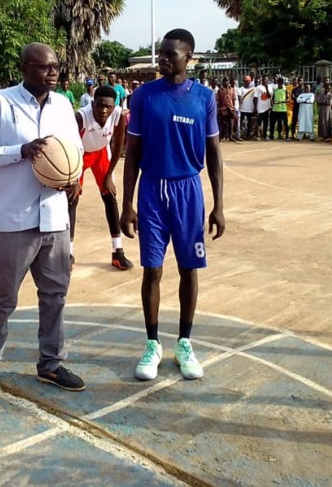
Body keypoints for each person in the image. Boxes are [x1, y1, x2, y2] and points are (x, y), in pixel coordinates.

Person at [0, 43, 86, 398]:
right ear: (24, 68)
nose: (52, 73)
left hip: (54, 215)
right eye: (43, 67)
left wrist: (72, 177)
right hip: (14, 218)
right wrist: (19, 150)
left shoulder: (63, 105)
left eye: (55, 67)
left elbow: (73, 150)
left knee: (55, 294)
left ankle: (50, 363)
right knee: (4, 296)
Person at [120, 28, 225, 382]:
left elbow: (213, 153)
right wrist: (126, 204)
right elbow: (131, 153)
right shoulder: (145, 96)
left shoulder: (204, 98)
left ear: (189, 58)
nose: (163, 59)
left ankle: (184, 343)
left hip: (188, 190)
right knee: (152, 269)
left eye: (170, 54)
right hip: (152, 190)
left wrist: (218, 204)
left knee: (188, 269)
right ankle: (152, 344)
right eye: (161, 53)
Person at [68, 85, 133, 271]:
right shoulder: (80, 117)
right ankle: (68, 253)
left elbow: (119, 142)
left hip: (102, 153)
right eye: (100, 105)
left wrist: (109, 176)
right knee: (71, 199)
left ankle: (117, 252)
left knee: (110, 197)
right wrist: (74, 178)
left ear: (113, 106)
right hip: (79, 155)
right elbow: (70, 146)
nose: (104, 110)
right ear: (92, 103)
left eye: (108, 107)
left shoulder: (119, 114)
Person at [216, 77, 236, 142]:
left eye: (227, 81)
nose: (226, 83)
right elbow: (218, 100)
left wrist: (234, 108)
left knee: (231, 123)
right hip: (223, 108)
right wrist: (219, 108)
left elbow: (233, 99)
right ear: (223, 82)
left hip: (230, 108)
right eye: (225, 81)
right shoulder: (220, 90)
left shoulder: (232, 89)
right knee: (223, 123)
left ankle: (230, 136)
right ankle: (224, 136)